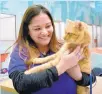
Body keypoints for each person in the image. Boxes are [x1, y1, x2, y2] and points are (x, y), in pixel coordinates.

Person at [8, 5, 96, 94]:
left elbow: (91, 77)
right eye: (37, 28)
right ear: (27, 30)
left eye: (48, 26)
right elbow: (20, 84)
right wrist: (61, 67)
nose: (45, 32)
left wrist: (79, 77)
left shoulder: (65, 45)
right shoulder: (20, 51)